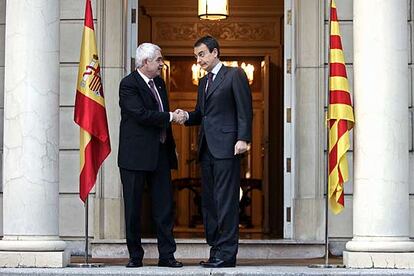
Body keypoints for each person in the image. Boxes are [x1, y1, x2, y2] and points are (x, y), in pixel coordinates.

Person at [175, 35, 253, 267]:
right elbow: (201, 114)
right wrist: (185, 116)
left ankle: (227, 255)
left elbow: (245, 109)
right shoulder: (203, 82)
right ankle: (216, 250)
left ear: (215, 52)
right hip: (206, 149)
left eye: (201, 54)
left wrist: (243, 138)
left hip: (228, 148)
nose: (198, 60)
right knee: (209, 202)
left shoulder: (234, 75)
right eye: (196, 56)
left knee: (226, 201)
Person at [118, 42, 184, 268]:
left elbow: (161, 120)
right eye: (158, 60)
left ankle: (167, 256)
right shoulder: (128, 84)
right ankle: (135, 257)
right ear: (145, 62)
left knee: (165, 208)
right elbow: (141, 115)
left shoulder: (160, 83)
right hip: (134, 157)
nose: (161, 64)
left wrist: (170, 144)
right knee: (134, 209)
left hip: (160, 155)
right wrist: (170, 117)